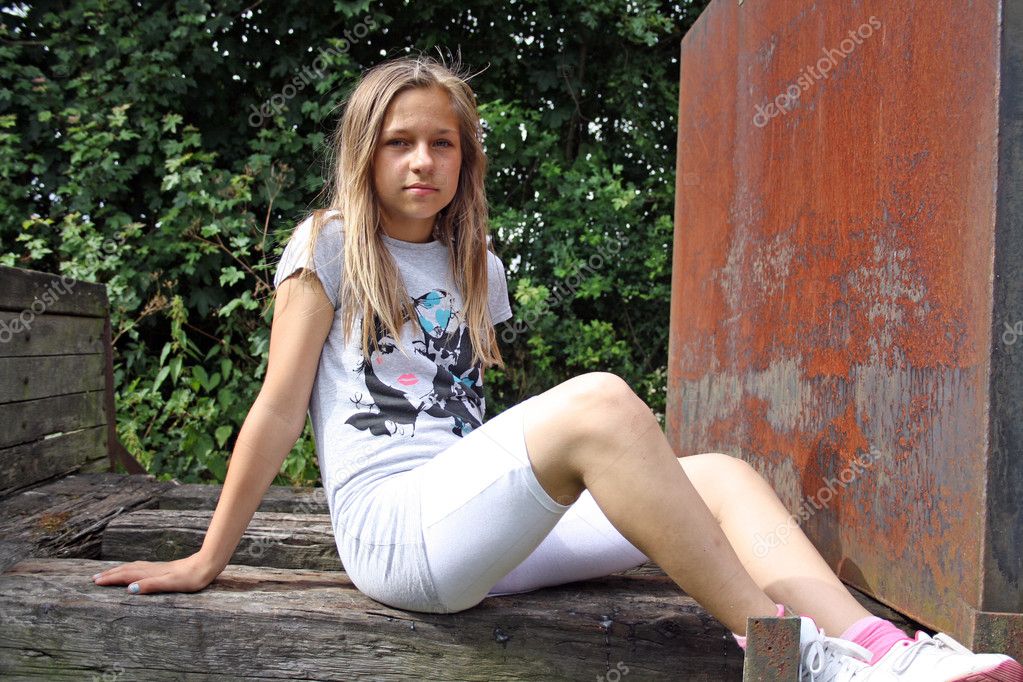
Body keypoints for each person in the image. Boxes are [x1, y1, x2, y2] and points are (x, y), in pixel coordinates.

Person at [91, 54, 1023, 682]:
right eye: (399, 141)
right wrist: (211, 556)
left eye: (442, 142)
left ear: (466, 158)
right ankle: (793, 658)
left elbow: (472, 423)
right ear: (364, 152)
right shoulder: (329, 247)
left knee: (724, 475)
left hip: (476, 533)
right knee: (601, 403)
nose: (422, 160)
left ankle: (882, 652)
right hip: (396, 537)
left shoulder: (478, 270)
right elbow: (277, 411)